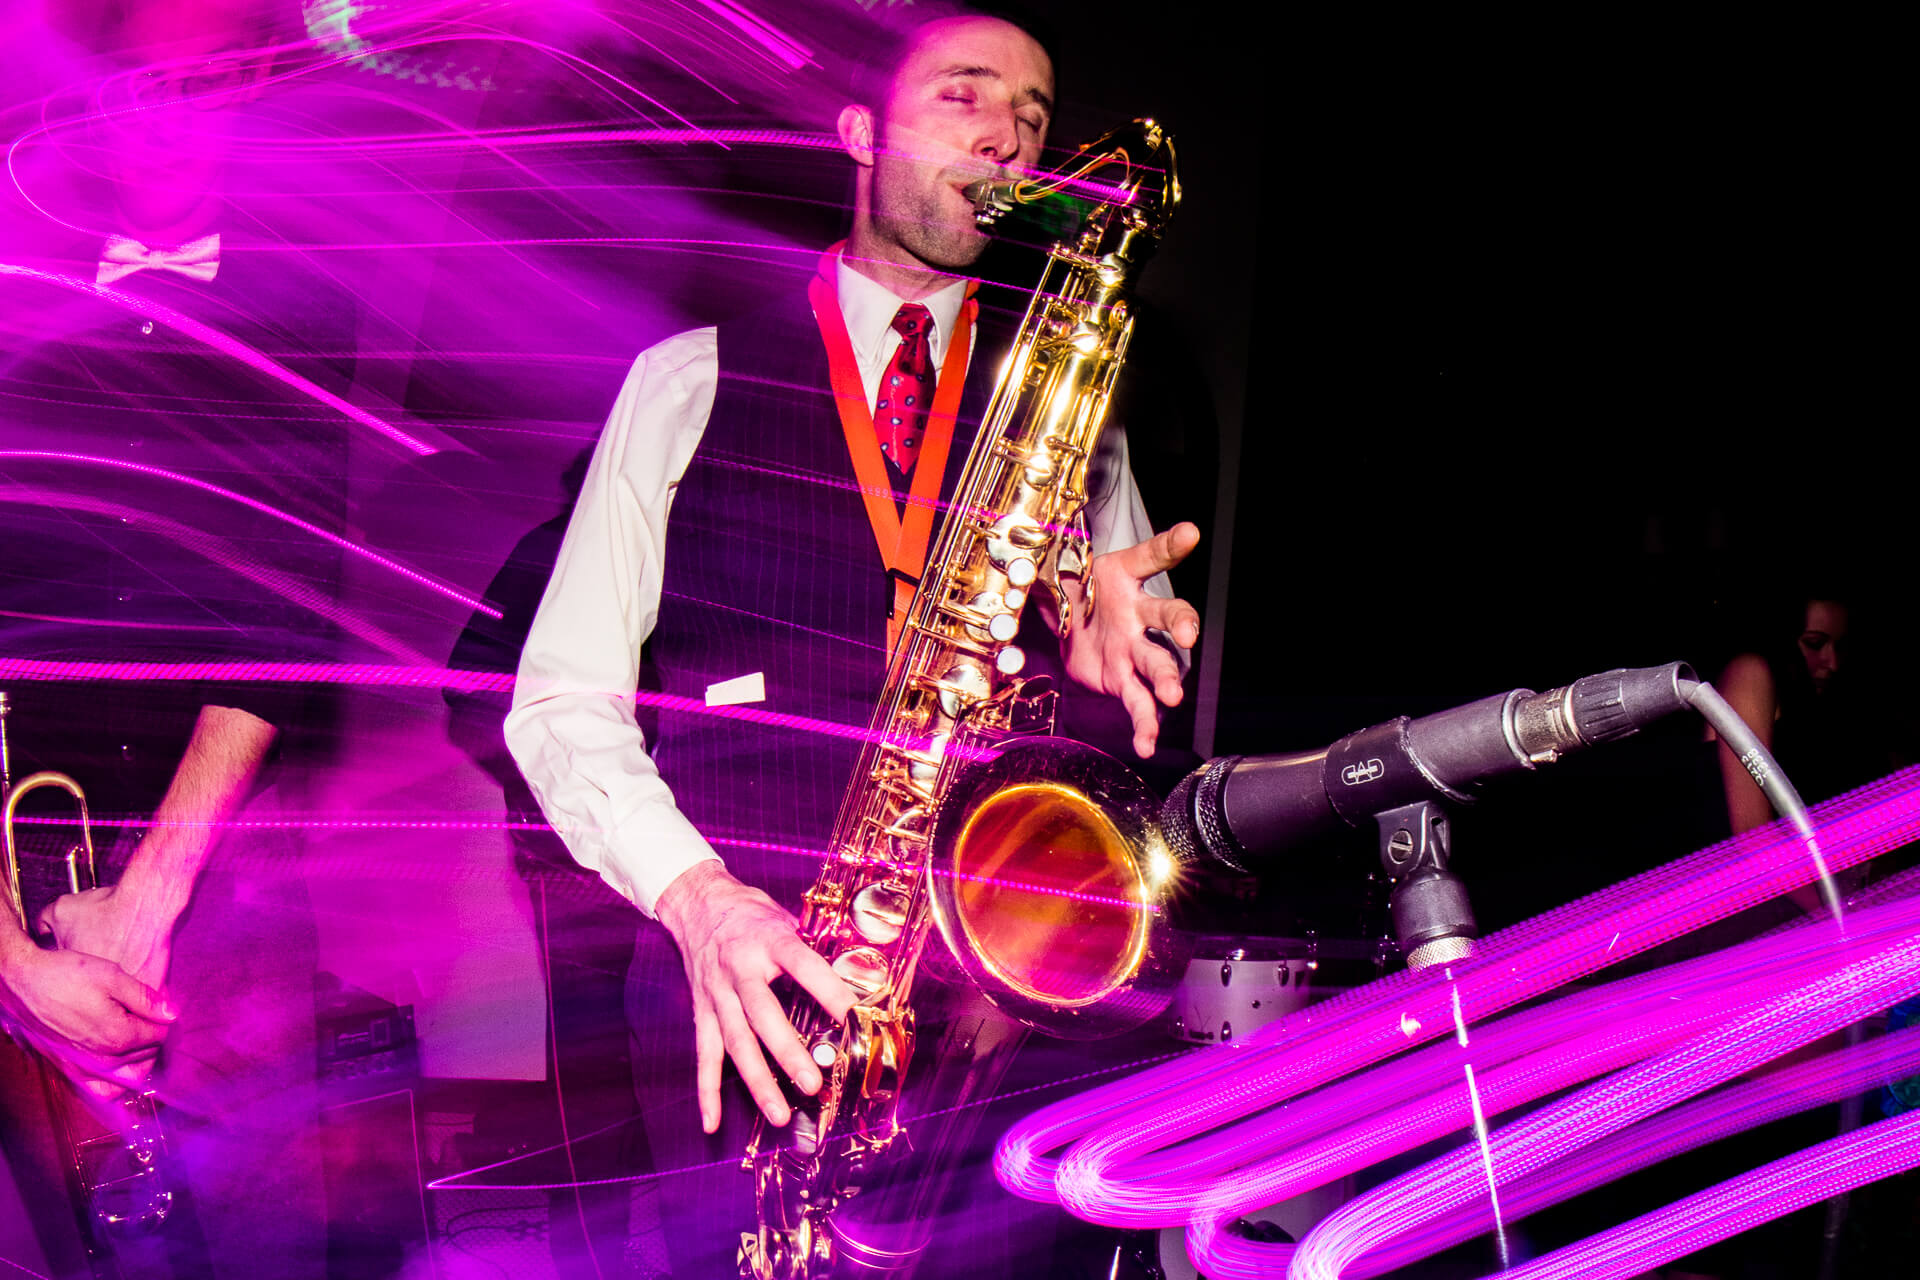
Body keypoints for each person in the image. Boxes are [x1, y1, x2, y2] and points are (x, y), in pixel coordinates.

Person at [505, 7, 1201, 1273]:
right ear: (858, 132)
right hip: (741, 996)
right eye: (967, 98)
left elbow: (1106, 690)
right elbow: (559, 703)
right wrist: (702, 903)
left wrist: (1107, 668)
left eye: (1036, 118)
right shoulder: (687, 377)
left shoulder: (1072, 416)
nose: (1011, 141)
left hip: (990, 1023)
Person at [0, 4, 348, 1275]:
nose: (163, 116)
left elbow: (290, 606)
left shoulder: (304, 306)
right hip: (18, 847)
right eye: (137, 86)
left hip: (219, 870)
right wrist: (11, 955)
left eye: (198, 87)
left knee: (261, 1238)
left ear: (253, 90)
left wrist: (150, 903)